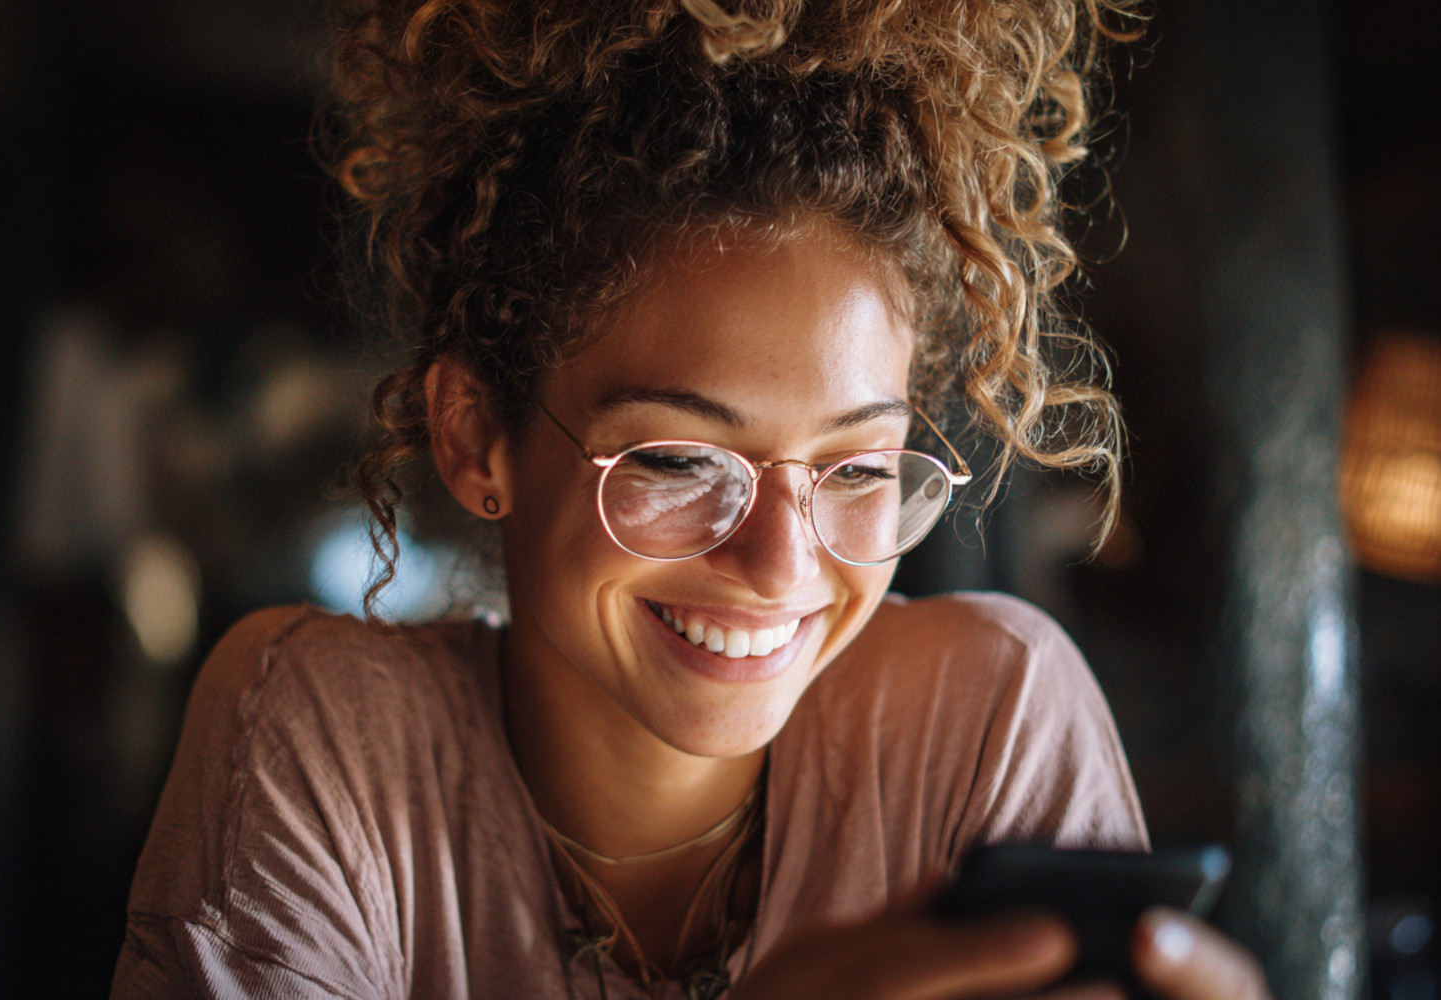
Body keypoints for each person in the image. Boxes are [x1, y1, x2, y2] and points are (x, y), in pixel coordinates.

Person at [112, 1, 1270, 998]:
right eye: (676, 461)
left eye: (859, 469)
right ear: (477, 439)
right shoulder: (329, 736)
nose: (780, 565)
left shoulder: (985, 721)